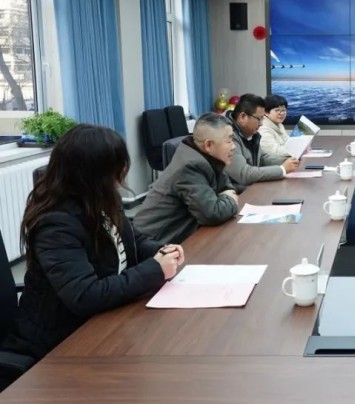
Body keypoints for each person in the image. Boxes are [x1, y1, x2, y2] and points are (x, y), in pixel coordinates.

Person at [0, 125, 184, 366]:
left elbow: (131, 239)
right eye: (116, 167)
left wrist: (160, 250)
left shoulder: (101, 197)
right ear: (93, 173)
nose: (122, 173)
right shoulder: (55, 223)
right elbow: (86, 295)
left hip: (102, 321)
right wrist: (154, 270)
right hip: (58, 343)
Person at [134, 113, 240, 244]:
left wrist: (226, 198)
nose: (234, 146)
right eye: (229, 141)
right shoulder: (191, 166)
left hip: (181, 235)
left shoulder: (209, 158)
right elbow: (212, 214)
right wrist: (230, 200)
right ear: (208, 145)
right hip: (154, 243)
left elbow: (227, 189)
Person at [225, 93, 300, 191]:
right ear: (243, 117)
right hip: (236, 193)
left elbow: (263, 159)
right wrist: (282, 169)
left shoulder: (251, 134)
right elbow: (244, 174)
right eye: (259, 119)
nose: (261, 124)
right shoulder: (228, 136)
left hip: (251, 188)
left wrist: (291, 160)